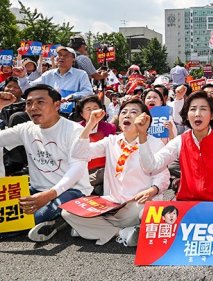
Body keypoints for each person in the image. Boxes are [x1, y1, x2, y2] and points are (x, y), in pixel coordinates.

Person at [136, 90, 213, 254]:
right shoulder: (180, 140)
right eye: (192, 109)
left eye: (203, 109)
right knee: (145, 214)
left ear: (212, 115)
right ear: (187, 114)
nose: (197, 114)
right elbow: (151, 166)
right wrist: (142, 136)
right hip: (185, 205)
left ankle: (188, 232)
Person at [62, 99, 170, 246]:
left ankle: (91, 230)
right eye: (123, 112)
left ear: (145, 119)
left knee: (148, 212)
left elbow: (163, 175)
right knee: (68, 212)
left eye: (134, 112)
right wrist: (90, 124)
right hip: (110, 205)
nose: (127, 115)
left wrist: (153, 190)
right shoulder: (111, 141)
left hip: (137, 205)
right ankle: (122, 233)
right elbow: (78, 153)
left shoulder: (155, 142)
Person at [0, 84, 92, 242]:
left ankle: (57, 219)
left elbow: (77, 169)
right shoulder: (26, 129)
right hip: (35, 190)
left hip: (72, 191)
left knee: (31, 218)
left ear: (57, 105)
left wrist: (49, 195)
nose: (33, 107)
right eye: (29, 103)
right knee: (10, 218)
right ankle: (60, 219)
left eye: (40, 102)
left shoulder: (74, 130)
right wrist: (0, 106)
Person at [14, 46, 93, 103]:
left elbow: (88, 92)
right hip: (49, 113)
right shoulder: (48, 75)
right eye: (59, 55)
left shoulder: (81, 74)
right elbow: (27, 89)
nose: (61, 57)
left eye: (65, 55)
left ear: (73, 60)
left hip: (72, 115)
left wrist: (72, 96)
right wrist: (22, 77)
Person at [74, 95, 116, 195]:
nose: (92, 112)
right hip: (82, 171)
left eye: (95, 108)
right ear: (81, 113)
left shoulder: (110, 127)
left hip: (103, 171)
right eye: (88, 109)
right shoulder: (75, 128)